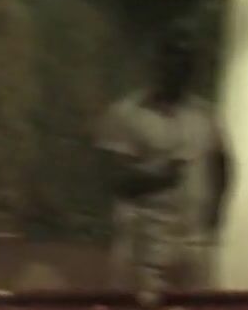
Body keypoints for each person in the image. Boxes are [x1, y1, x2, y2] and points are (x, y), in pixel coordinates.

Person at [95, 23, 231, 296]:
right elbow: (114, 179)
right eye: (173, 58)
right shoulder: (127, 114)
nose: (179, 67)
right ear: (158, 63)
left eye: (187, 61)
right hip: (147, 244)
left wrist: (214, 217)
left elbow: (222, 164)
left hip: (194, 245)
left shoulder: (205, 115)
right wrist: (157, 178)